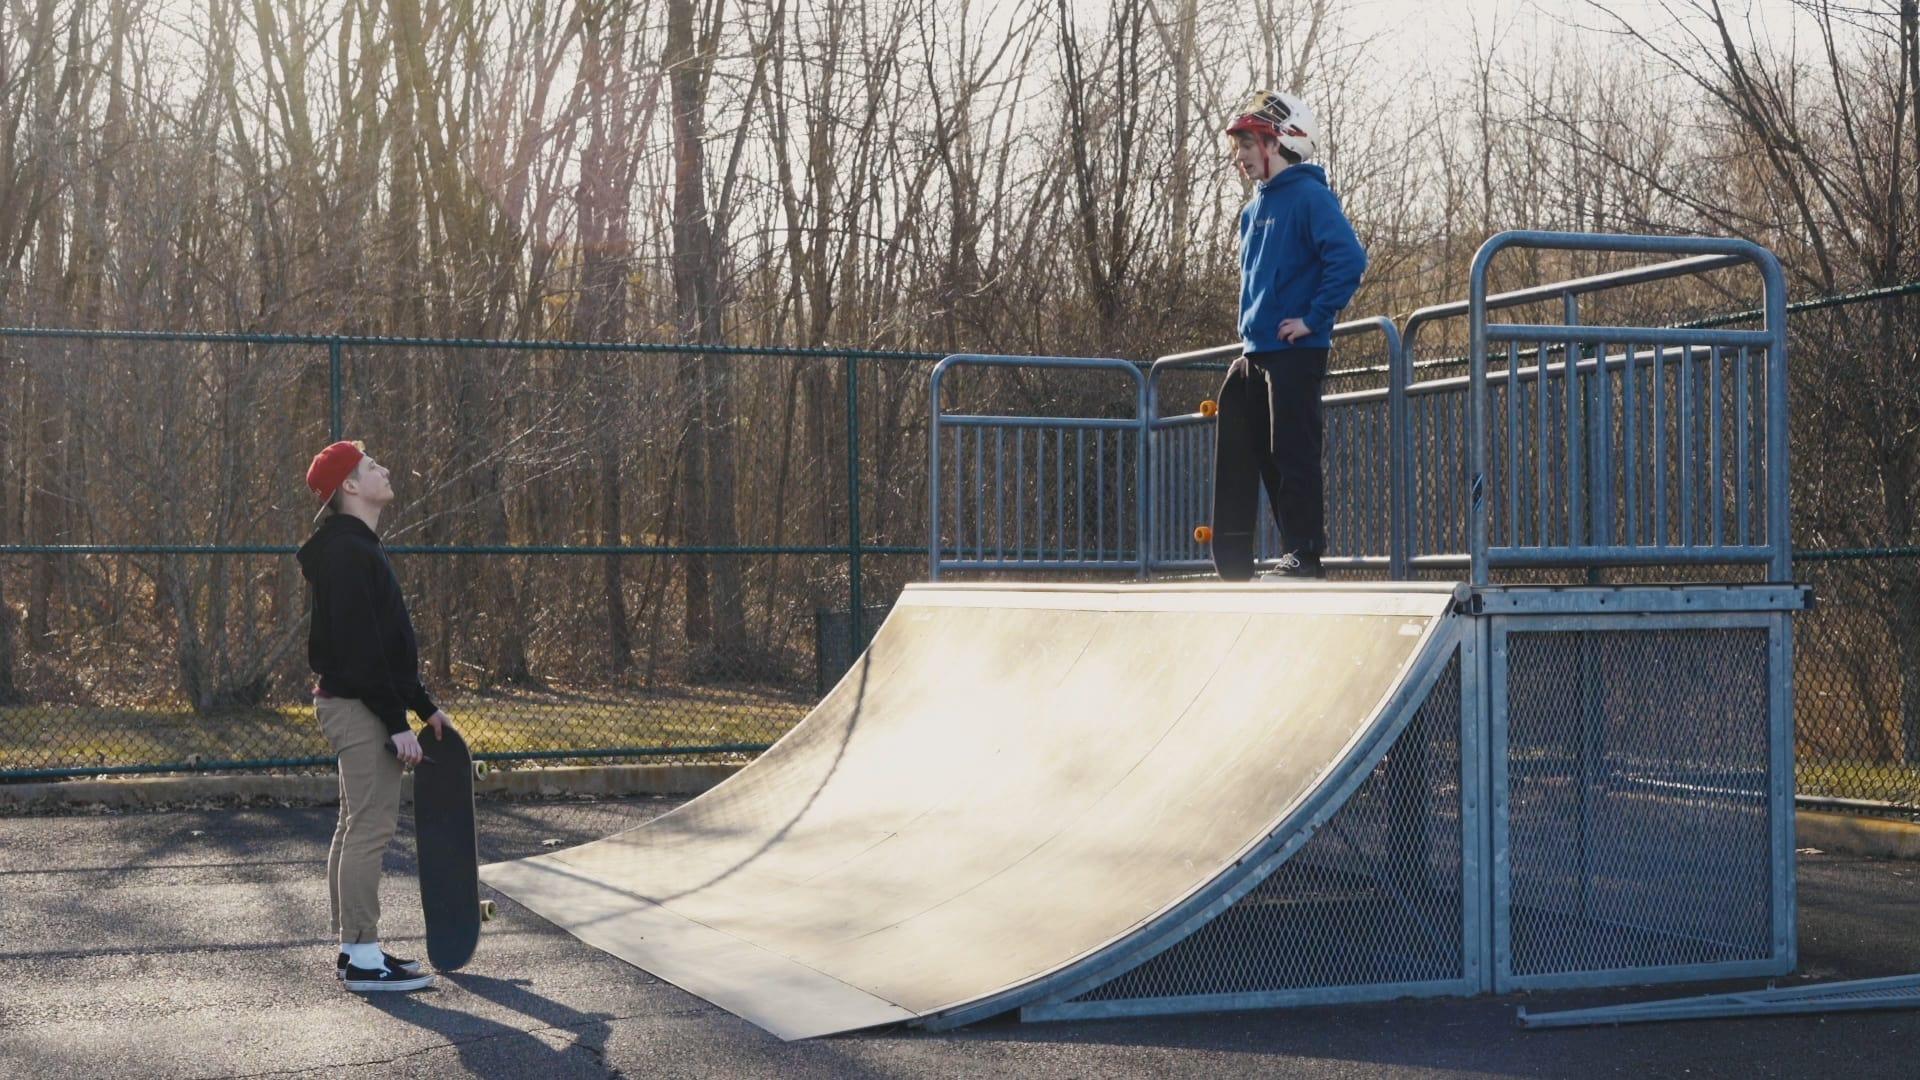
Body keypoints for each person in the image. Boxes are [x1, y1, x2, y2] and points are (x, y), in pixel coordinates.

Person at [298, 439, 451, 992]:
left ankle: (354, 949)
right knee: (370, 827)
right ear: (350, 487)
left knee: (354, 824)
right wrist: (395, 723)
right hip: (358, 707)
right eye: (369, 466)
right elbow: (363, 653)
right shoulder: (346, 552)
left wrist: (425, 708)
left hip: (360, 701)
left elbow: (387, 647)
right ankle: (363, 960)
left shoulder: (357, 546)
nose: (383, 468)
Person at [1223, 89, 1368, 579]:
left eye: (1249, 146)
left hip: (1296, 349)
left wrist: (1312, 318)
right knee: (1267, 457)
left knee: (1294, 451)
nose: (1240, 158)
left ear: (1281, 143)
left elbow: (1348, 260)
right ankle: (1291, 550)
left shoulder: (1310, 197)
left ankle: (1305, 553)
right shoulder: (1251, 212)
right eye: (1239, 148)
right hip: (1259, 351)